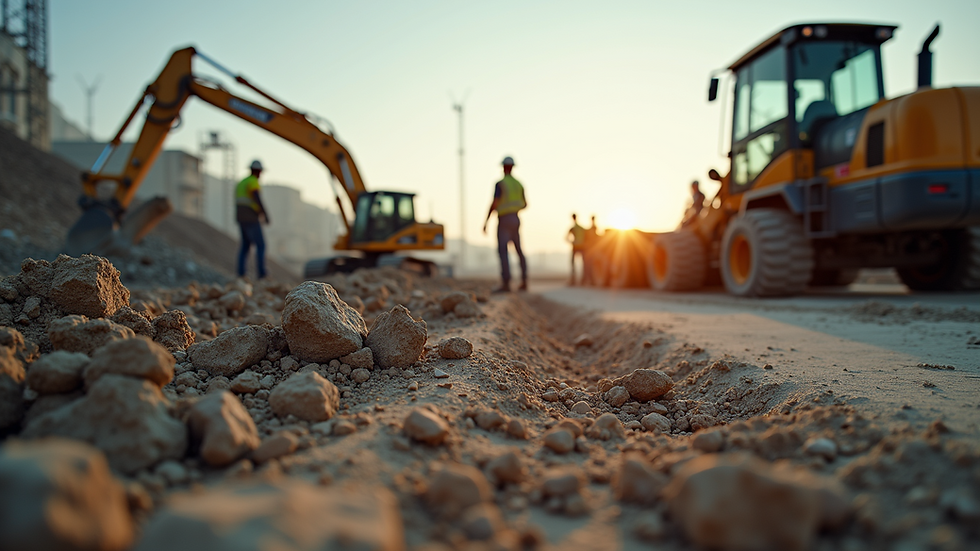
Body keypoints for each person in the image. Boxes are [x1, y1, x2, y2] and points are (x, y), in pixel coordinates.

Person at [483, 156, 527, 292]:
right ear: (513, 167)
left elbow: (495, 202)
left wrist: (486, 221)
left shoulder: (501, 184)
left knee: (503, 251)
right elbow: (525, 204)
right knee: (519, 250)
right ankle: (524, 281)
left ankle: (506, 283)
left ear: (503, 167)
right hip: (516, 218)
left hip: (504, 219)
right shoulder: (519, 184)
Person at [235, 160, 270, 279]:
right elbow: (256, 197)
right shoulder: (253, 182)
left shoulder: (241, 182)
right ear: (258, 171)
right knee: (261, 245)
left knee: (245, 245)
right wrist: (265, 214)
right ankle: (261, 274)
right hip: (250, 217)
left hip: (240, 217)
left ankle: (241, 273)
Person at [567, 213, 586, 285]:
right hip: (582, 247)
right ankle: (583, 280)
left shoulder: (573, 228)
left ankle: (573, 280)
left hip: (575, 247)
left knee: (573, 264)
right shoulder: (581, 228)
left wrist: (572, 242)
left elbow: (567, 238)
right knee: (583, 264)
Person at [582, 215, 599, 285]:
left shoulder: (592, 228)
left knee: (589, 265)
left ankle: (589, 280)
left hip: (590, 249)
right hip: (590, 249)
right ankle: (588, 280)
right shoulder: (592, 229)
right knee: (588, 265)